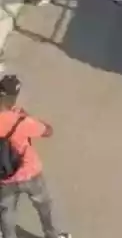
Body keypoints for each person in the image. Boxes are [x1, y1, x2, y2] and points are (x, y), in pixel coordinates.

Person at [0, 75, 70, 238]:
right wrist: (26, 116)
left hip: (4, 178)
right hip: (30, 173)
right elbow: (48, 130)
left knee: (6, 213)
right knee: (44, 205)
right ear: (14, 98)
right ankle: (51, 234)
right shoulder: (21, 120)